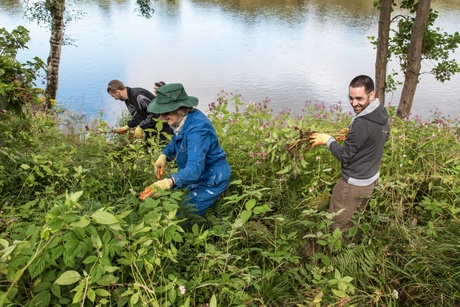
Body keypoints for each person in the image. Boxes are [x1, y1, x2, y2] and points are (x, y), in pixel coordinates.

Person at [309, 75, 390, 232]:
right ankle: (350, 252)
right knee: (354, 222)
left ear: (371, 95)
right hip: (370, 180)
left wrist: (328, 140)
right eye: (351, 98)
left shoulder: (362, 123)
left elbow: (344, 155)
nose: (354, 103)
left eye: (359, 98)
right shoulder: (381, 112)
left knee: (336, 226)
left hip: (352, 185)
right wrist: (354, 136)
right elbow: (384, 136)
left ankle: (335, 254)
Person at [139, 83, 231, 217]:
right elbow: (176, 140)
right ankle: (211, 221)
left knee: (182, 214)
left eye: (165, 112)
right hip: (198, 176)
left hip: (211, 178)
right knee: (199, 209)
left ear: (180, 108)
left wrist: (167, 182)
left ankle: (209, 234)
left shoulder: (198, 131)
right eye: (160, 113)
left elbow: (194, 169)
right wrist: (164, 155)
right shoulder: (179, 120)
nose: (161, 118)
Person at [107, 80, 172, 143]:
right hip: (151, 131)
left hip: (162, 129)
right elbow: (139, 115)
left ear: (117, 92)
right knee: (150, 151)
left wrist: (140, 127)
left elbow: (155, 114)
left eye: (113, 96)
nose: (115, 98)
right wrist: (128, 126)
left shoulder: (138, 96)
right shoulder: (128, 99)